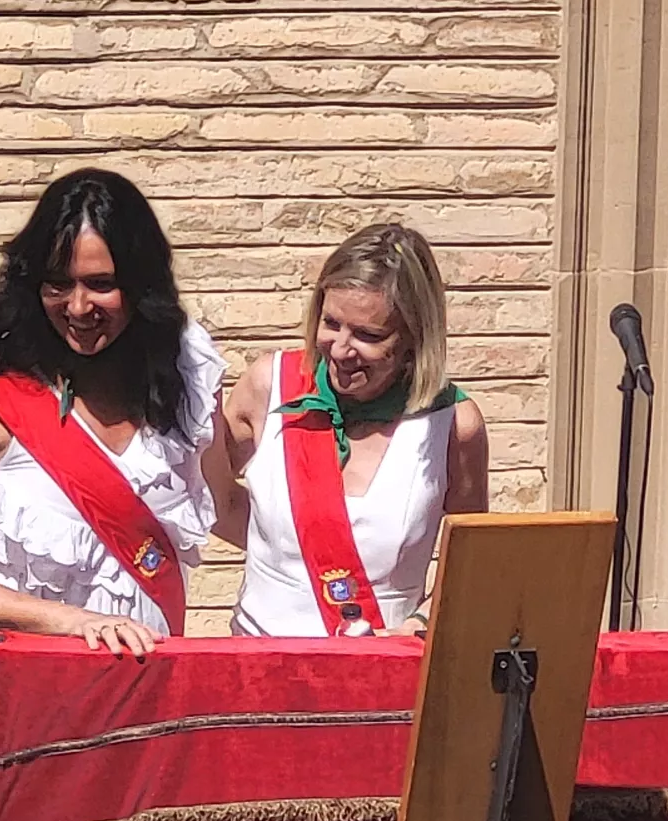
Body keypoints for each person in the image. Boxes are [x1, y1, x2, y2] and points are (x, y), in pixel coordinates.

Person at [0, 168, 227, 654]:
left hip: (144, 692)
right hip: (19, 687)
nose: (78, 307)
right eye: (57, 284)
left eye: (101, 284)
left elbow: (232, 503)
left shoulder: (185, 373)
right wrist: (72, 622)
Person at [207, 223, 492, 635]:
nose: (340, 350)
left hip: (381, 677)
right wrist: (287, 559)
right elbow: (211, 503)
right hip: (258, 669)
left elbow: (470, 566)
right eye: (331, 323)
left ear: (415, 337)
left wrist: (417, 626)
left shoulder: (452, 425)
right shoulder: (270, 386)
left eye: (367, 335)